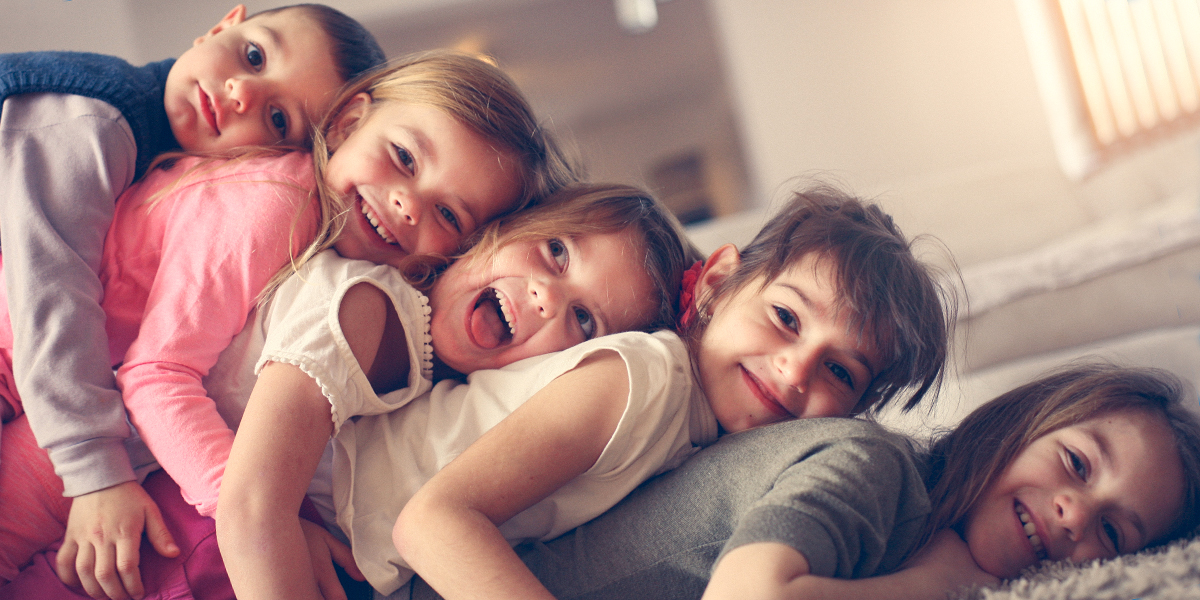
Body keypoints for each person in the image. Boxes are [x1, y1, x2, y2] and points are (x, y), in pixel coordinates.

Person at [0, 48, 572, 600]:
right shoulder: (276, 204)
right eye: (403, 158)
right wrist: (275, 522)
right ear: (348, 123)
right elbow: (154, 374)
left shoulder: (327, 236)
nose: (407, 205)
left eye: (448, 214)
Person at [249, 185, 949, 599]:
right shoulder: (643, 378)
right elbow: (431, 524)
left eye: (840, 373)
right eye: (786, 318)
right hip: (308, 499)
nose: (795, 371)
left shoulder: (688, 430)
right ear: (712, 284)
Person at [0, 4, 384, 597]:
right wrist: (93, 474)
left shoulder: (185, 168)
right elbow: (51, 289)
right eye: (255, 55)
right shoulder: (94, 117)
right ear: (224, 24)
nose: (240, 93)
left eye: (278, 118)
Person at [215, 182, 695, 600]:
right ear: (500, 228)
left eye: (584, 320)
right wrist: (286, 524)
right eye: (557, 251)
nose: (548, 298)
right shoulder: (360, 304)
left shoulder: (439, 387)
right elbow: (250, 510)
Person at [401, 363, 1200, 600]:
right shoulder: (873, 467)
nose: (1074, 515)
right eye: (1076, 464)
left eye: (1114, 531)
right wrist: (941, 583)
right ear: (1020, 423)